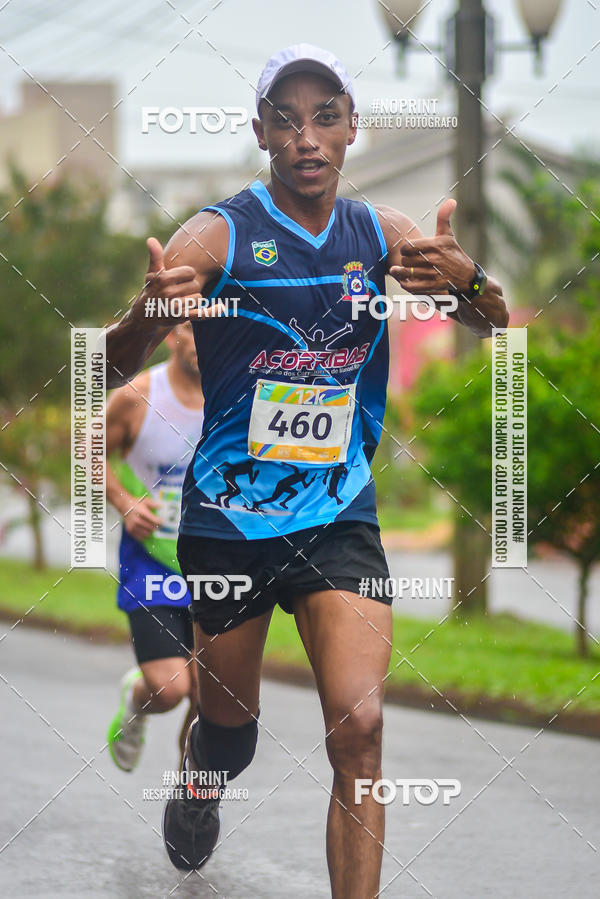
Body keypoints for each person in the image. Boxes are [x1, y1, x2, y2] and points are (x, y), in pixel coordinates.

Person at [105, 44, 508, 899]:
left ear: (352, 129)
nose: (307, 136)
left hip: (338, 514)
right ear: (261, 133)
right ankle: (202, 772)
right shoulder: (215, 234)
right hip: (227, 521)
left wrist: (471, 281)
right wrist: (147, 313)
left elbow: (489, 319)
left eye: (326, 115)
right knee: (231, 727)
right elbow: (110, 364)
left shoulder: (383, 235)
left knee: (359, 727)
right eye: (285, 119)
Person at [106, 323, 204, 771]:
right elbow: (87, 449)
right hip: (153, 563)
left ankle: (191, 799)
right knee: (170, 689)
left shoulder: (239, 398)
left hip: (218, 565)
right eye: (192, 329)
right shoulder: (137, 396)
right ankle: (138, 697)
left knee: (212, 698)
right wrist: (126, 503)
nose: (204, 340)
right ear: (170, 335)